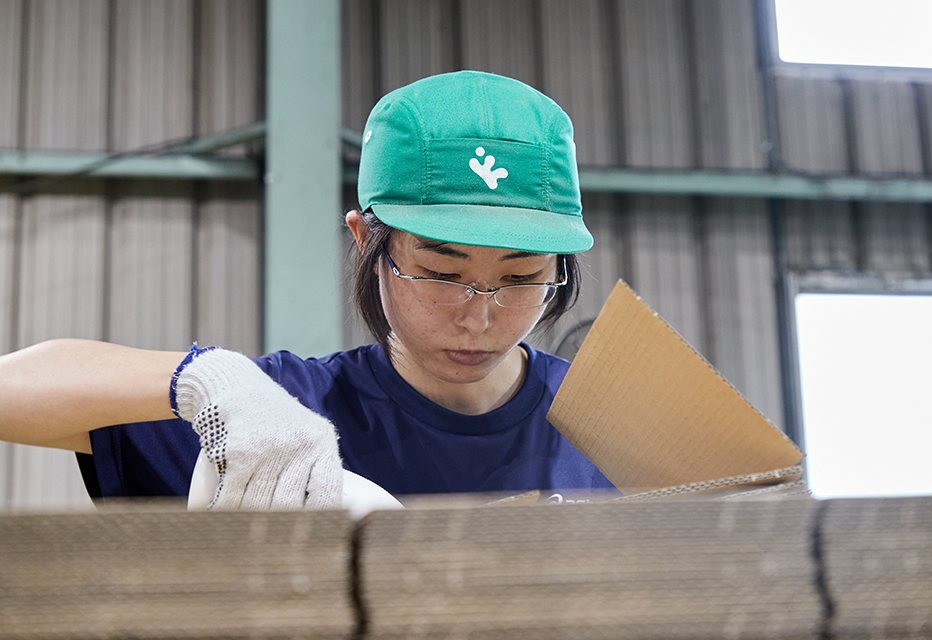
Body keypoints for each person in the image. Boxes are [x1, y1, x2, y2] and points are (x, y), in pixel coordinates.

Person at [0, 71, 615, 509]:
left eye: (520, 278)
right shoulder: (282, 413)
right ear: (365, 241)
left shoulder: (620, 426)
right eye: (441, 274)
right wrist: (205, 378)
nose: (479, 317)